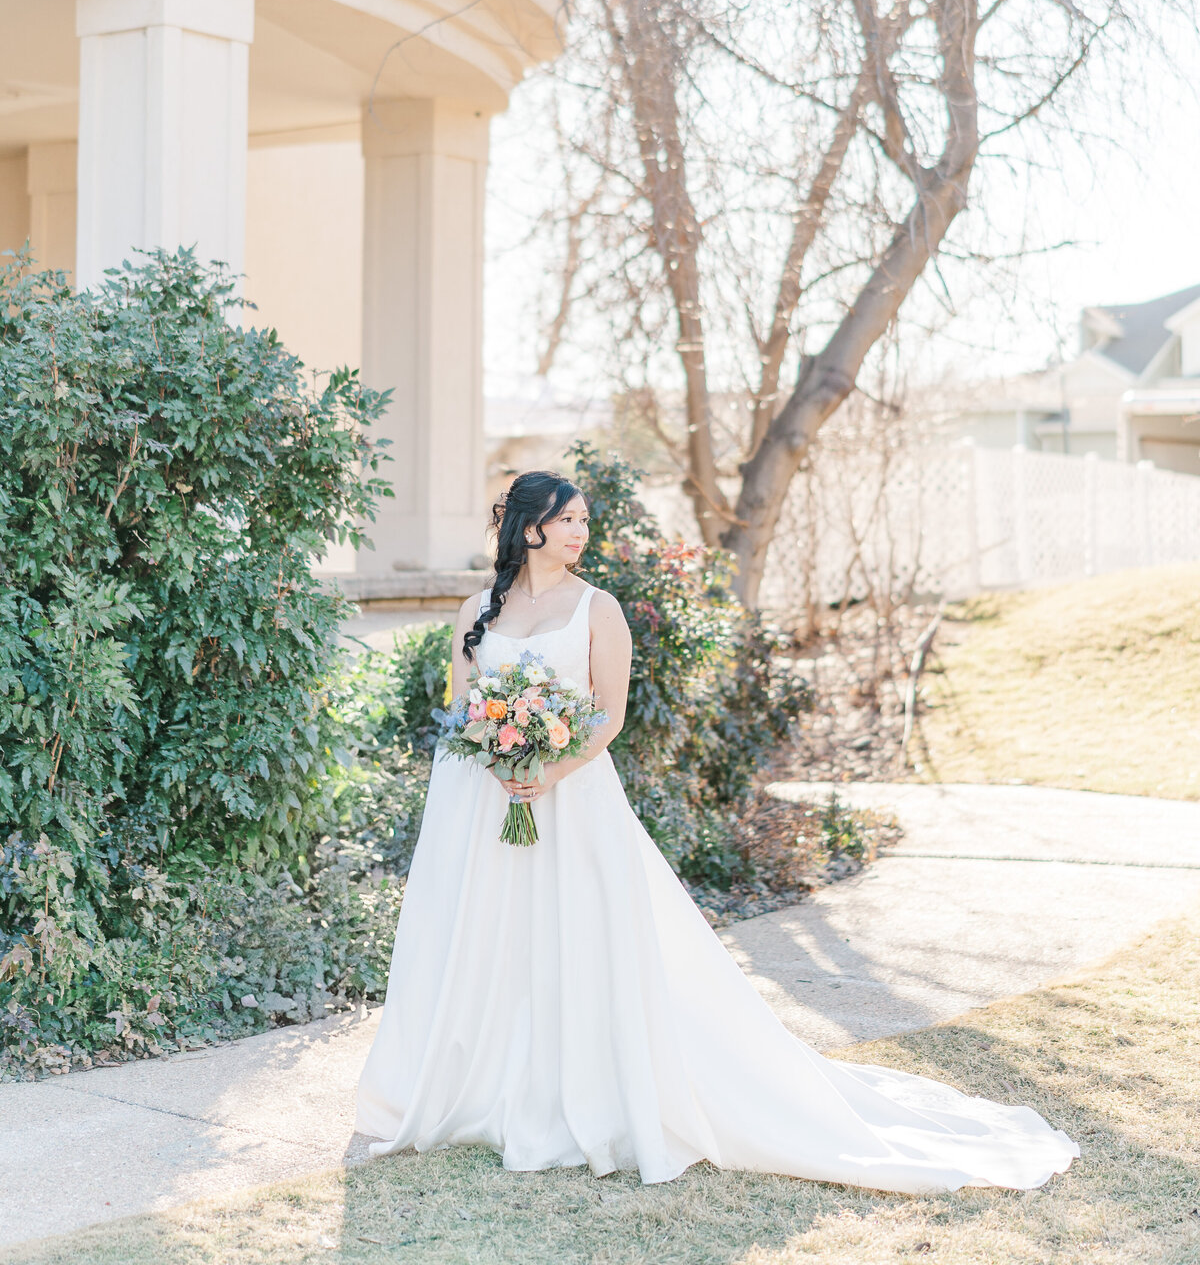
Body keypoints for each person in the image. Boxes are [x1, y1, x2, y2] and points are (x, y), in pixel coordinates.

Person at [356, 470, 1078, 1191]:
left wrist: (549, 770)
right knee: (488, 934)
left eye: (584, 520)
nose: (582, 532)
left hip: (571, 799)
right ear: (530, 526)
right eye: (568, 520)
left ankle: (571, 1093)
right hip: (481, 799)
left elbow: (610, 715)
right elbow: (462, 704)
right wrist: (497, 756)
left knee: (577, 936)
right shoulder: (476, 609)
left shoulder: (597, 608)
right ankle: (482, 1085)